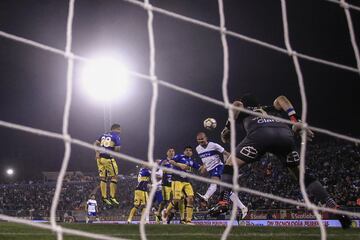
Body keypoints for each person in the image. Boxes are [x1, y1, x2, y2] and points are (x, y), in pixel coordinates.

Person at [210, 94, 352, 229]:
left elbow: (236, 105)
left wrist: (226, 128)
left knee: (230, 163)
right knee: (301, 175)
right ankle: (332, 204)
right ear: (258, 104)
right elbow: (281, 98)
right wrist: (296, 121)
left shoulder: (244, 108)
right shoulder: (269, 109)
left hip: (260, 134)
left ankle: (223, 201)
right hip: (284, 134)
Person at [195, 132, 248, 219]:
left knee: (214, 182)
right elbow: (204, 160)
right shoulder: (198, 149)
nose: (201, 141)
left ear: (206, 138)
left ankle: (206, 197)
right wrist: (204, 167)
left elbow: (226, 153)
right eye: (199, 140)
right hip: (210, 170)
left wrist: (232, 163)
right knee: (227, 192)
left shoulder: (213, 145)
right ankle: (243, 207)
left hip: (218, 166)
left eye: (202, 139)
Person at [165, 146, 201, 224]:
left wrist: (206, 165)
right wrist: (180, 165)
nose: (188, 151)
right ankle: (166, 212)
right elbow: (171, 161)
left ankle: (188, 220)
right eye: (186, 150)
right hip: (176, 180)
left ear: (192, 153)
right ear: (184, 152)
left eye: (190, 150)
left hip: (186, 181)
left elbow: (200, 168)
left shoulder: (191, 161)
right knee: (177, 199)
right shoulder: (179, 156)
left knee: (190, 199)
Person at [94, 123, 122, 206]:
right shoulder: (116, 136)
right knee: (115, 176)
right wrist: (114, 152)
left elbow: (95, 143)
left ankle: (104, 197)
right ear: (116, 129)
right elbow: (117, 148)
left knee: (103, 178)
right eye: (120, 129)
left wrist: (97, 153)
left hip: (99, 159)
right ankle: (112, 196)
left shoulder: (103, 135)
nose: (120, 131)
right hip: (108, 159)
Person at [155, 148, 175, 223]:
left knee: (174, 200)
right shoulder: (164, 161)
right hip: (166, 183)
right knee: (166, 200)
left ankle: (169, 216)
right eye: (170, 151)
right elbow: (158, 169)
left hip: (175, 183)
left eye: (173, 151)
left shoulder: (176, 161)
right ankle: (159, 213)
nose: (171, 152)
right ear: (167, 153)